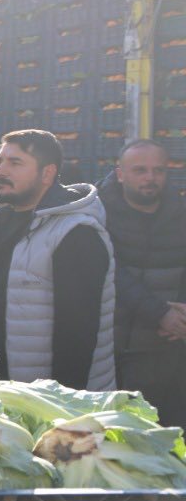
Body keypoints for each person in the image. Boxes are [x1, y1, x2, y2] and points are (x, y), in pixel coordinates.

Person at [0, 130, 115, 389]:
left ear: (47, 173)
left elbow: (77, 335)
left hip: (42, 396)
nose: (0, 172)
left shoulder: (76, 232)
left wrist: (58, 405)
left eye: (15, 163)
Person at [98, 140, 186, 427]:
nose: (150, 177)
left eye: (158, 170)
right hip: (109, 351)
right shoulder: (98, 212)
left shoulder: (180, 215)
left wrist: (181, 318)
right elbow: (110, 271)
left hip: (166, 352)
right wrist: (160, 313)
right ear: (120, 173)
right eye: (140, 170)